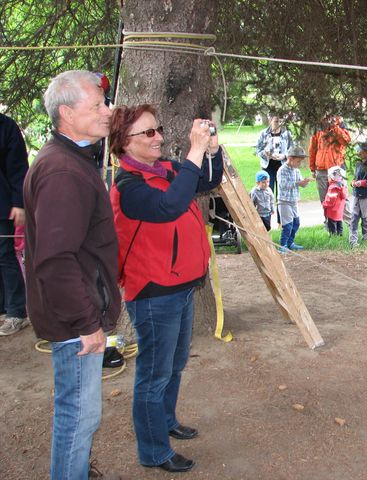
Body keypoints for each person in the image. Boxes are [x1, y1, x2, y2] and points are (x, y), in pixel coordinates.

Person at [109, 105, 223, 473]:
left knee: (174, 365)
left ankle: (166, 421)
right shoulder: (129, 187)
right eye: (148, 133)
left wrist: (211, 150)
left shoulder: (165, 169)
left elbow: (205, 181)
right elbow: (169, 206)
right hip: (154, 292)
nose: (158, 136)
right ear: (124, 143)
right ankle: (154, 451)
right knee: (154, 375)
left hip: (181, 286)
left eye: (157, 129)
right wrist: (194, 150)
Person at [23, 70, 122, 480]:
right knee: (79, 417)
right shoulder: (63, 171)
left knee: (81, 415)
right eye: (97, 105)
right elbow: (55, 260)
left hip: (75, 311)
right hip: (73, 320)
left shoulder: (73, 158)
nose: (107, 111)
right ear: (66, 113)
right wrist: (86, 324)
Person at [0, 112, 29, 336]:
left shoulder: (6, 126)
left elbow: (18, 168)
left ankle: (16, 312)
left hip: (3, 205)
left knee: (4, 255)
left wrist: (19, 203)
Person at [309, 113, 351, 225]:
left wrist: (334, 126)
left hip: (337, 168)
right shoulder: (318, 128)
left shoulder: (340, 125)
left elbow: (346, 141)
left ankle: (351, 225)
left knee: (342, 197)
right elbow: (313, 148)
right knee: (325, 199)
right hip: (321, 169)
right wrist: (312, 168)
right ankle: (330, 225)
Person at [277, 145, 312, 252]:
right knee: (287, 225)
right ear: (290, 158)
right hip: (284, 202)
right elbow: (283, 185)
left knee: (296, 223)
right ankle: (283, 246)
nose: (299, 164)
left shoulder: (296, 170)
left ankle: (290, 243)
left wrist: (305, 182)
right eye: (298, 161)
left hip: (294, 201)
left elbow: (301, 183)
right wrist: (297, 183)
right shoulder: (282, 170)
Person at [256, 114, 294, 204]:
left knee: (281, 193)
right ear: (270, 121)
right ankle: (268, 211)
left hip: (282, 166)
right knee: (268, 191)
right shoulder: (264, 134)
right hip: (268, 166)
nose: (278, 124)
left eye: (280, 121)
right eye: (276, 121)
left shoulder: (287, 134)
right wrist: (266, 154)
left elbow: (292, 148)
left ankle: (280, 213)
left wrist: (284, 156)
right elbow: (258, 150)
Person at [322, 166, 348, 235]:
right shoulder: (343, 186)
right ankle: (340, 235)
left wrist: (324, 204)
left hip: (332, 211)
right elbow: (344, 196)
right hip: (339, 211)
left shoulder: (333, 187)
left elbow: (330, 200)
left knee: (332, 225)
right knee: (339, 223)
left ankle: (333, 236)